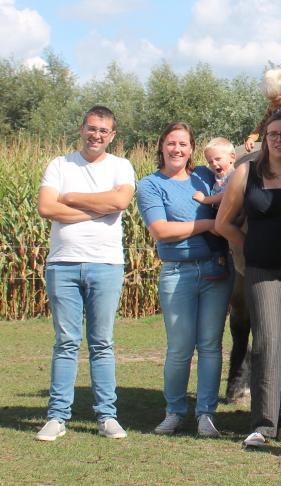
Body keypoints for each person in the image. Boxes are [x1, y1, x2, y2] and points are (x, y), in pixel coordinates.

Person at [215, 110, 281, 448]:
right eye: (273, 134)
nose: (279, 139)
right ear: (264, 139)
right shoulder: (246, 173)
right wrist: (251, 246)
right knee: (267, 343)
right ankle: (263, 424)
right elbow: (223, 223)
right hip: (263, 270)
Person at [35, 105, 135, 441]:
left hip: (106, 264)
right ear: (82, 128)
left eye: (103, 131)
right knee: (66, 342)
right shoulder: (59, 165)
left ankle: (107, 415)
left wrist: (73, 198)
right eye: (91, 128)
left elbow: (119, 202)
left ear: (112, 136)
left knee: (102, 343)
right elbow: (47, 208)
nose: (96, 135)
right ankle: (57, 416)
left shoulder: (121, 166)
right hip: (62, 264)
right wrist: (96, 210)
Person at [137, 122, 233, 438]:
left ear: (192, 149)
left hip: (216, 270)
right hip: (177, 272)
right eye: (171, 143)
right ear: (161, 146)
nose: (177, 149)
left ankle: (206, 414)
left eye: (183, 144)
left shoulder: (205, 176)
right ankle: (174, 412)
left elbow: (234, 174)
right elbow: (161, 230)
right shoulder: (150, 185)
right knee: (180, 348)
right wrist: (207, 224)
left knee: (210, 346)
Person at [244, 68, 281, 152]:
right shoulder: (273, 106)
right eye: (270, 100)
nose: (273, 103)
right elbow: (263, 123)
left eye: (276, 100)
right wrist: (252, 137)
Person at [193, 137, 236, 206]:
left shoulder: (234, 176)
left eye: (218, 159)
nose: (214, 164)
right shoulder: (218, 177)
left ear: (232, 157)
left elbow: (225, 195)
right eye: (210, 162)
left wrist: (205, 199)